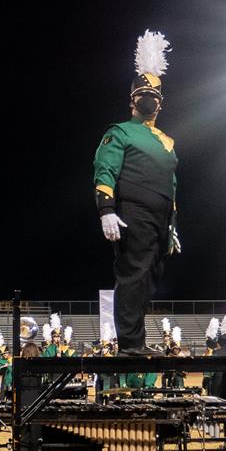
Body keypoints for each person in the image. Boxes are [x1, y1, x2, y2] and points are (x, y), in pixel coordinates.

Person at [93, 30, 179, 355]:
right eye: (143, 93)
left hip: (160, 219)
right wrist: (106, 209)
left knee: (149, 280)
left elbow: (172, 185)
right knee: (134, 274)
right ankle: (130, 344)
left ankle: (137, 340)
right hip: (134, 213)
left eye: (154, 95)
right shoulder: (120, 132)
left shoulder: (168, 141)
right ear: (132, 100)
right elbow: (105, 168)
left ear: (161, 103)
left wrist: (172, 225)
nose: (149, 99)